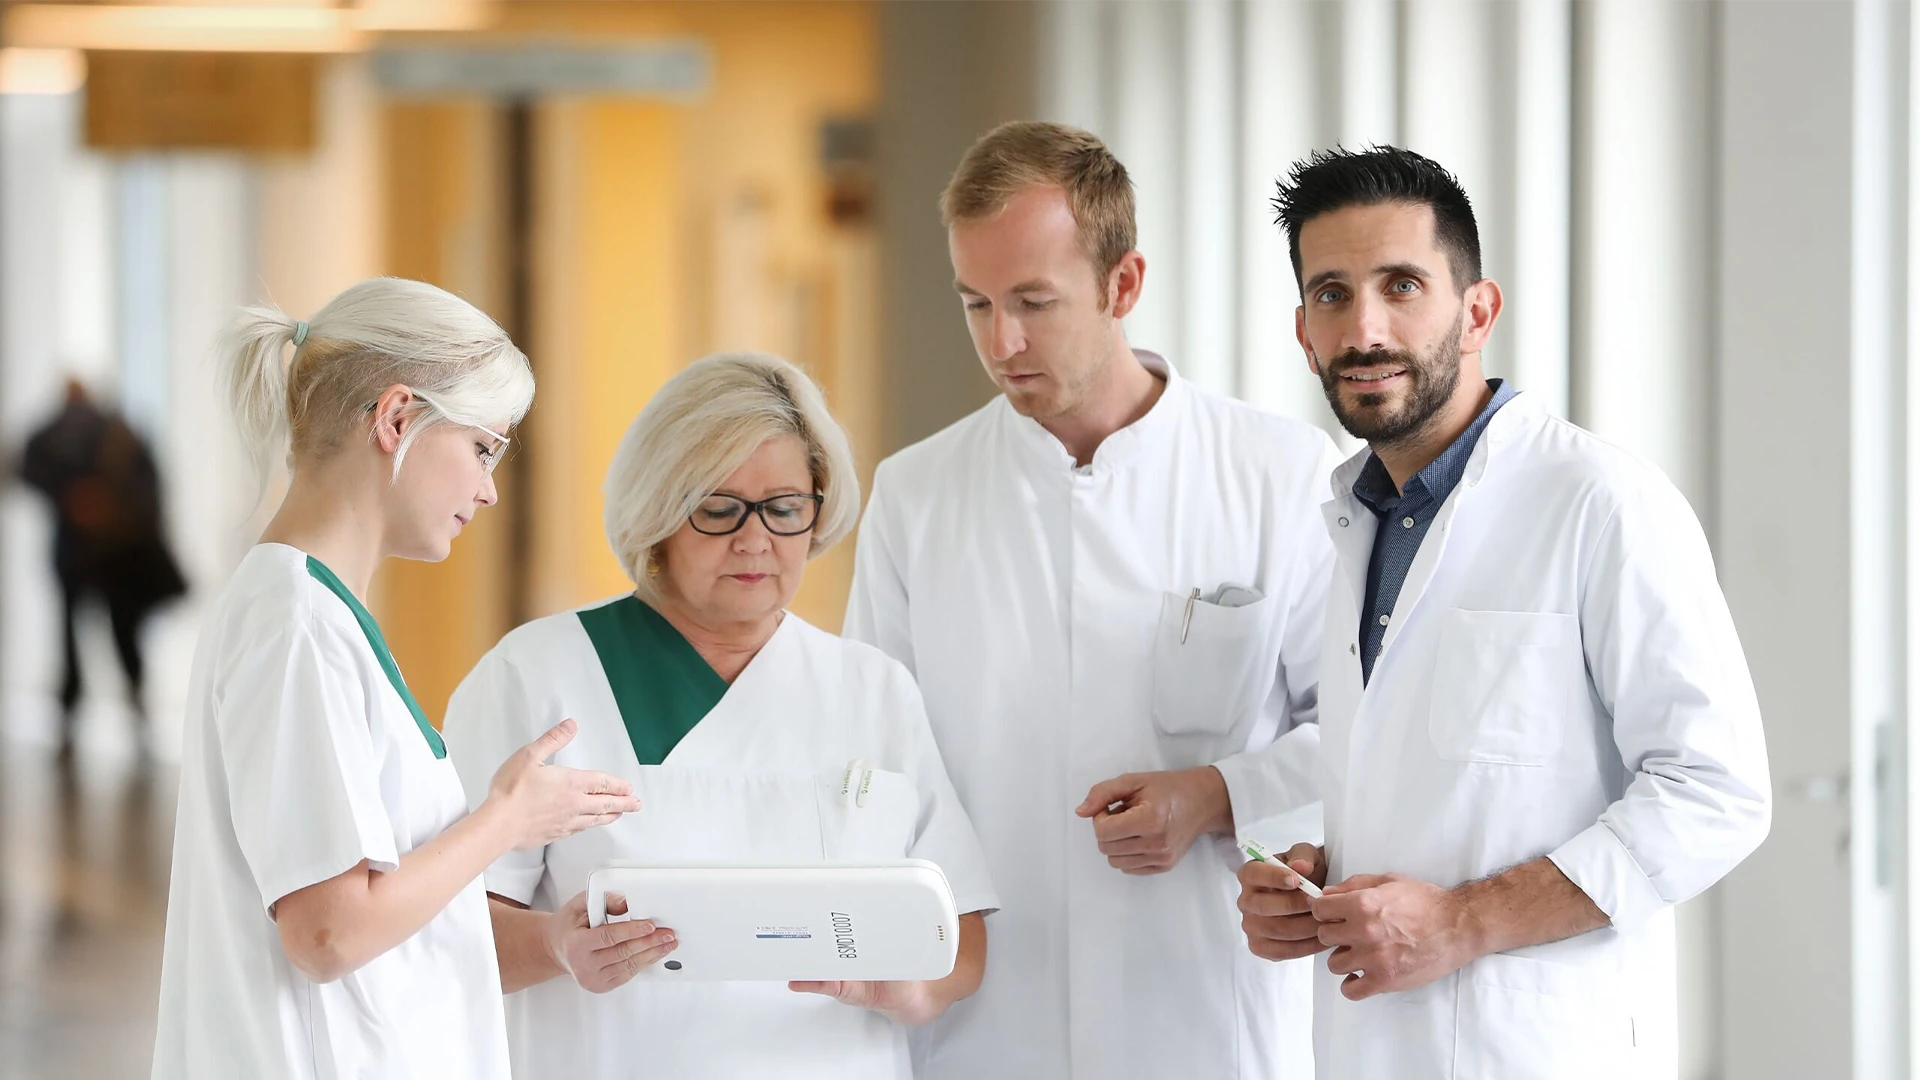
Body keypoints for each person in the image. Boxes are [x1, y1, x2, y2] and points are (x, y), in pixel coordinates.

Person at [1235, 147, 1772, 1078]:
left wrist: (1460, 921)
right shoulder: (1357, 523)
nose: (1365, 328)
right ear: (1302, 330)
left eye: (1401, 285)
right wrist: (1320, 878)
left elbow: (1717, 793)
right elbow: (1457, 788)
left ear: (1477, 310)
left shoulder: (1600, 503)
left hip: (1538, 1047)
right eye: (1331, 294)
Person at [844, 121, 1338, 1078]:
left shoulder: (1279, 475)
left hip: (1205, 1014)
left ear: (1124, 285)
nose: (1003, 341)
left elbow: (1360, 731)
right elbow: (876, 764)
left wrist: (1214, 796)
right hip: (982, 1024)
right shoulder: (917, 495)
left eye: (1035, 300)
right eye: (976, 303)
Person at [443, 352, 997, 1080]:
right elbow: (442, 933)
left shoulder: (872, 691)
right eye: (718, 507)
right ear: (659, 513)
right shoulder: (538, 675)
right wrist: (554, 943)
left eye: (785, 508)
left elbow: (960, 934)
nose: (755, 539)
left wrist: (901, 989)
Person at [152, 278, 640, 1080]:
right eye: (484, 449)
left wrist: (552, 937)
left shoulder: (313, 617)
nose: (487, 489)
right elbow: (330, 933)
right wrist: (505, 821)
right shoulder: (296, 626)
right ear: (398, 418)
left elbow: (397, 921)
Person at [17, 376, 187, 755]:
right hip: (92, 555)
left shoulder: (84, 434)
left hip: (107, 555)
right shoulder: (105, 431)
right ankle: (117, 712)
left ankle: (121, 713)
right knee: (98, 634)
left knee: (105, 633)